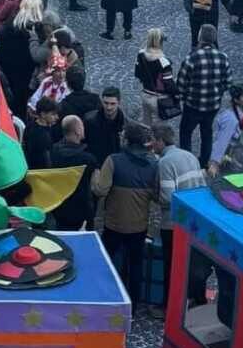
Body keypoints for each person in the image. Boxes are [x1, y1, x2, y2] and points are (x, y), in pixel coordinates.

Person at [92, 123, 157, 307]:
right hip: (139, 226)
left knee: (108, 262)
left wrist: (95, 176)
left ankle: (104, 299)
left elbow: (101, 190)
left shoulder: (113, 160)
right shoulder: (152, 165)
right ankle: (133, 305)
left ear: (126, 140)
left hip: (114, 224)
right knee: (135, 265)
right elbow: (156, 195)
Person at [151, 123, 206, 320]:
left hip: (173, 224)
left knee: (171, 267)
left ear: (160, 141)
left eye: (153, 141)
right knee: (193, 264)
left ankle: (168, 307)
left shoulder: (165, 163)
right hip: (194, 222)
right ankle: (197, 300)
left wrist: (154, 197)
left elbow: (167, 197)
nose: (151, 145)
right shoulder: (190, 156)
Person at [176, 24, 231, 167]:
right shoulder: (223, 58)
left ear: (199, 37)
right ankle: (204, 161)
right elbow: (228, 83)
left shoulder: (192, 58)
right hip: (212, 106)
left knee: (186, 133)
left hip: (193, 106)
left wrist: (183, 98)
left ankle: (186, 163)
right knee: (207, 133)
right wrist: (217, 93)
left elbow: (181, 84)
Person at [49, 115, 98, 230]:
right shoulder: (88, 159)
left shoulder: (53, 152)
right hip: (81, 212)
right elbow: (96, 187)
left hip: (59, 207)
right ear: (78, 131)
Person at [134, 28, 176, 126]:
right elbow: (169, 84)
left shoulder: (140, 54)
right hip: (159, 99)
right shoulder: (164, 62)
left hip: (145, 94)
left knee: (146, 126)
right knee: (159, 131)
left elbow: (137, 74)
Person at [83, 87, 130, 166]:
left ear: (119, 103)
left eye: (112, 104)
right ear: (102, 101)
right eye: (106, 103)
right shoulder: (89, 121)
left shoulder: (126, 124)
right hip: (96, 164)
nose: (109, 107)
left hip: (117, 165)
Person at [23, 96, 59, 168]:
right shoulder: (43, 136)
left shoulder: (30, 125)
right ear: (43, 114)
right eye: (53, 114)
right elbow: (47, 163)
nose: (57, 117)